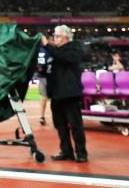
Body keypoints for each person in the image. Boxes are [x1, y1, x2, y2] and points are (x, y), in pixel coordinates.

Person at [41, 25, 88, 163]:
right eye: (54, 36)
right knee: (60, 124)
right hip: (56, 93)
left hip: (69, 94)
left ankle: (81, 153)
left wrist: (47, 45)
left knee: (75, 125)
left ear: (66, 38)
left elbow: (64, 57)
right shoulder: (55, 51)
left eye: (58, 36)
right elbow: (50, 67)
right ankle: (66, 151)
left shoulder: (74, 48)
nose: (55, 38)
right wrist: (42, 69)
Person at [36, 35, 52, 126]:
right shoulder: (43, 49)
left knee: (44, 97)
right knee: (44, 97)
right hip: (46, 76)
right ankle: (42, 116)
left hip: (45, 76)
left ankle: (42, 116)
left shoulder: (39, 49)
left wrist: (38, 68)